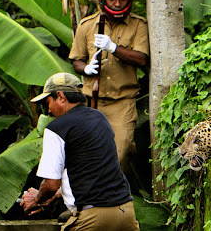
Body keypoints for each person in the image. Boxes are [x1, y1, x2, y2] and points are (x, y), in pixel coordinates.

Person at [21, 72, 140, 231]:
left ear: (61, 96)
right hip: (125, 213)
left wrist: (36, 200)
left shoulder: (57, 129)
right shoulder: (99, 118)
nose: (48, 110)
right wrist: (55, 195)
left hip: (93, 219)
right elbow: (90, 169)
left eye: (48, 102)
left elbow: (50, 184)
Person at [68, 0, 149, 175]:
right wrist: (85, 69)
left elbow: (141, 58)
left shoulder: (138, 25)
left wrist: (114, 48)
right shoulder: (87, 26)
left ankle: (116, 199)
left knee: (120, 152)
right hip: (91, 102)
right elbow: (76, 59)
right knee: (87, 155)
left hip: (122, 102)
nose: (118, 3)